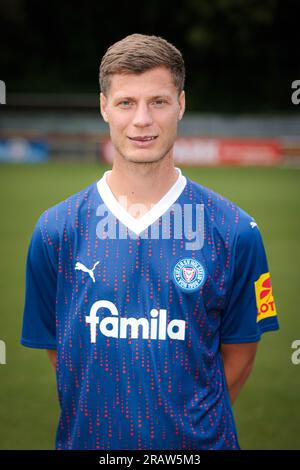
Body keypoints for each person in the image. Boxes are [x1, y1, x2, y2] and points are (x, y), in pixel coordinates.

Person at [20, 33, 279, 450]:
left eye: (158, 101)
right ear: (104, 106)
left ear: (181, 104)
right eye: (126, 102)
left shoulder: (235, 231)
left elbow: (240, 355)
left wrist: (179, 432)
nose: (143, 119)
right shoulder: (56, 230)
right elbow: (64, 356)